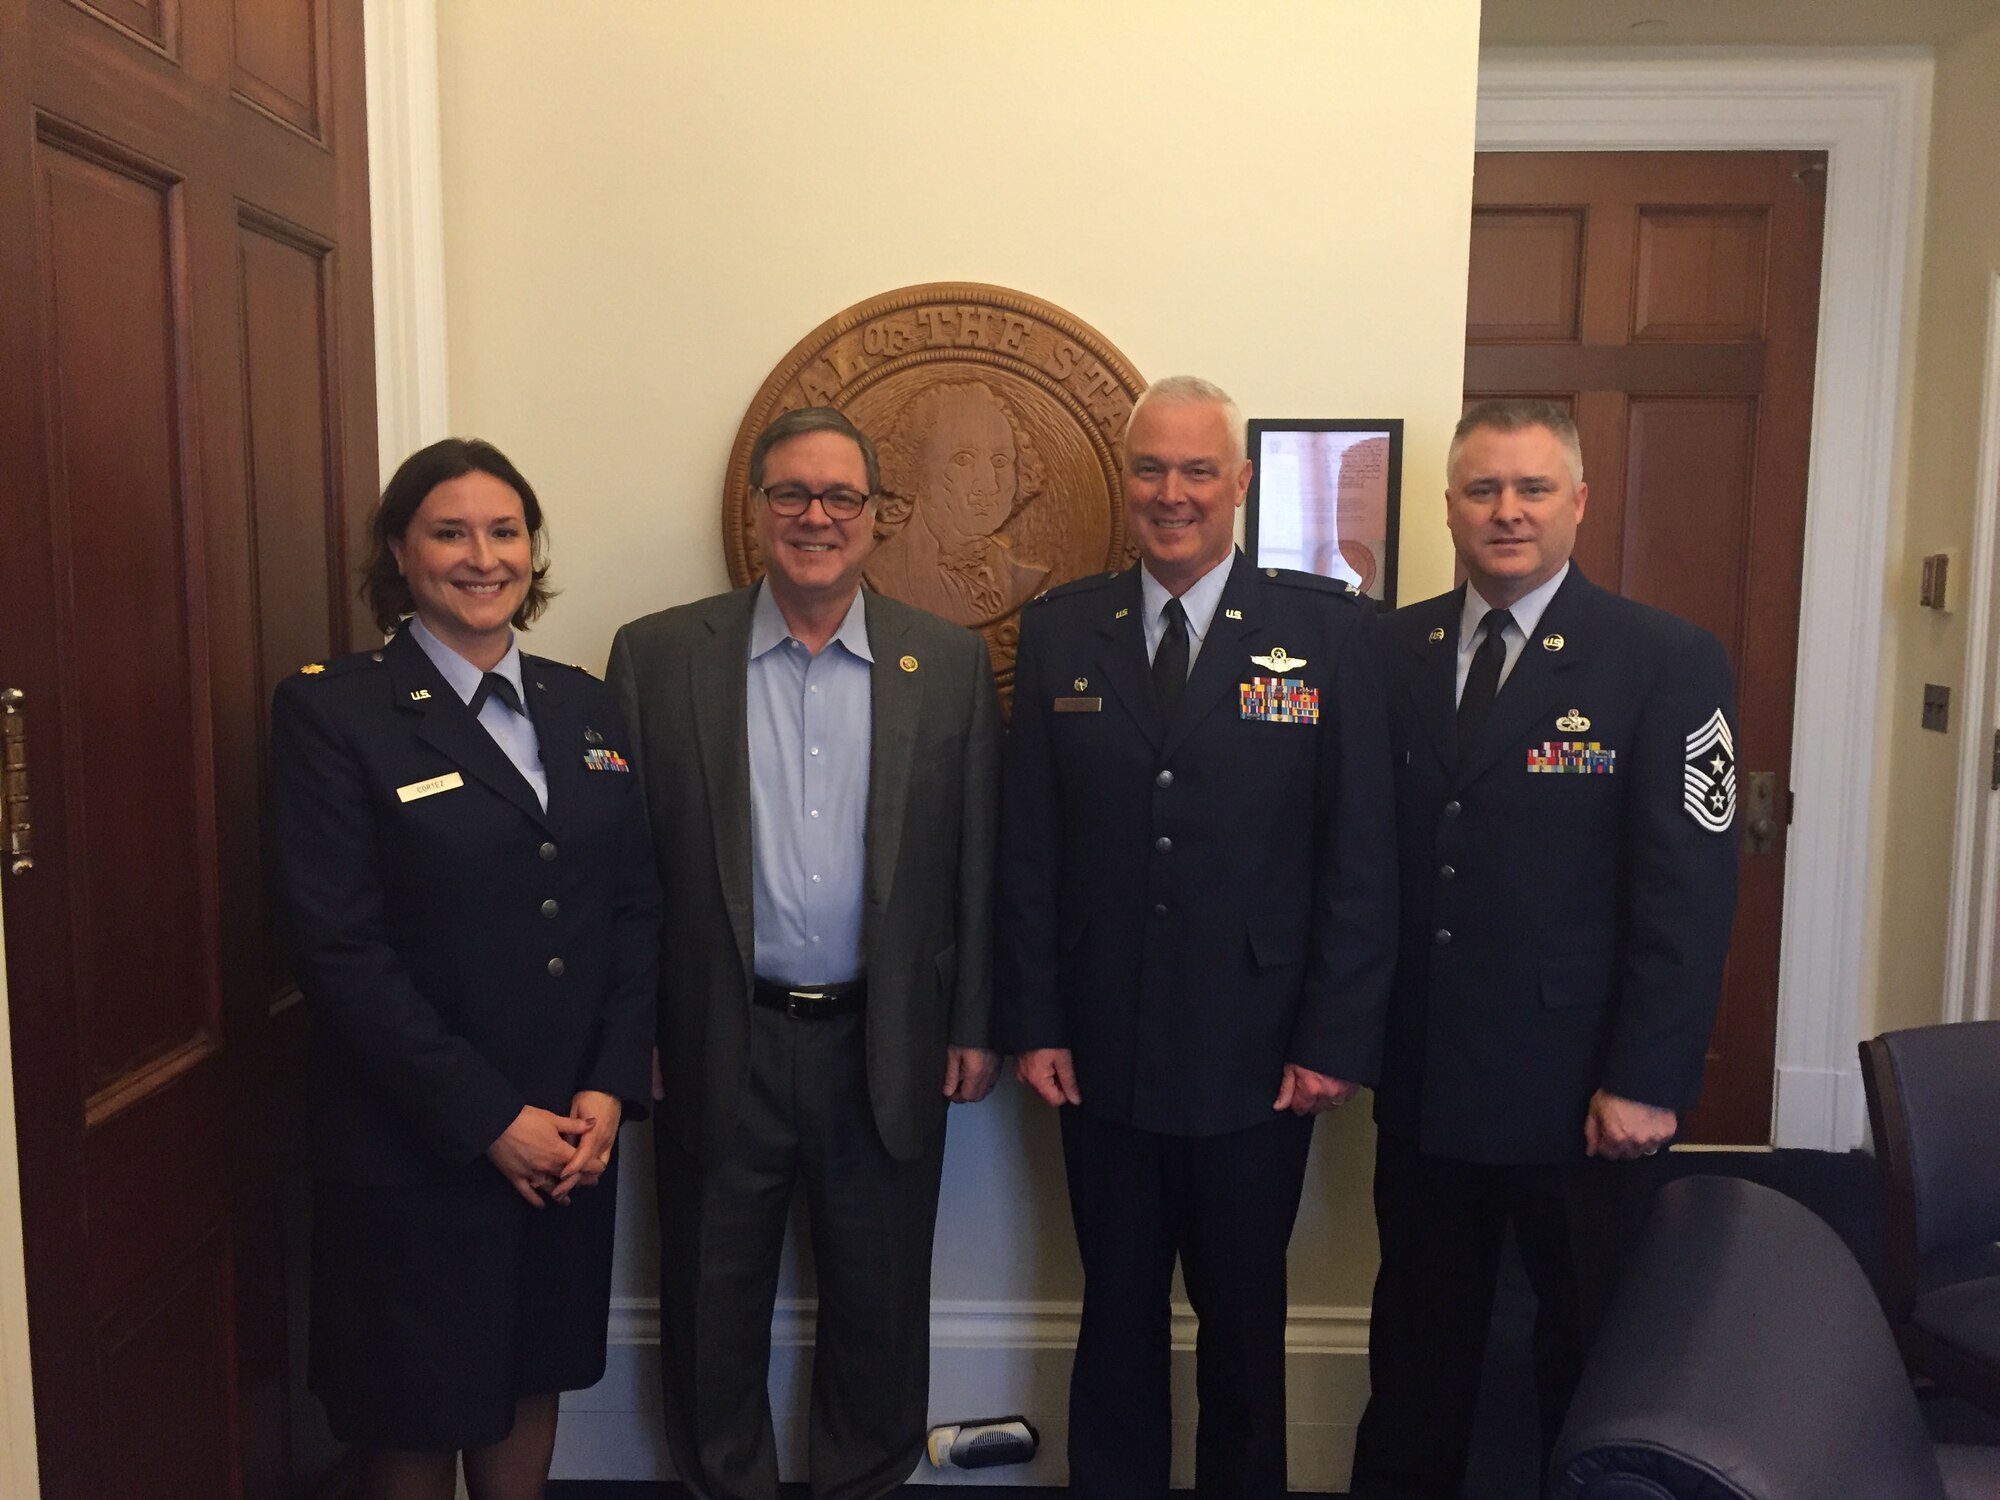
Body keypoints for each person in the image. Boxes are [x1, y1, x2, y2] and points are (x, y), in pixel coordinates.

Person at [996, 375, 1398, 1498]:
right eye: (1149, 469)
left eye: (1195, 471)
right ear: (1123, 482)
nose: (1170, 494)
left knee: (1242, 1318)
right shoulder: (1063, 627)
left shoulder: (1324, 632)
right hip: (1102, 1044)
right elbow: (1028, 847)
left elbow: (1358, 855)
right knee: (1113, 1310)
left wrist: (1332, 1035)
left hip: (1259, 1052)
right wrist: (1031, 1017)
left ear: (1239, 483)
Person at [1347, 399, 1740, 1500]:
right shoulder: (1392, 649)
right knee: (1417, 1348)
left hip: (1583, 1093)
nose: (1504, 512)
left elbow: (1688, 889)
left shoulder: (1662, 660)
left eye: (1528, 490)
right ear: (1447, 509)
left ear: (1576, 502)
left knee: (1582, 1347)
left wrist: (1648, 1079)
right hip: (1425, 1079)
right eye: (1481, 490)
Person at [608, 405, 1002, 1500]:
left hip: (883, 1042)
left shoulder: (950, 664)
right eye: (791, 494)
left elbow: (977, 861)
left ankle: (860, 1483)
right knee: (708, 1308)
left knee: (879, 1312)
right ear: (756, 511)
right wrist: (631, 1033)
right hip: (713, 1040)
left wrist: (972, 1022)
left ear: (876, 517)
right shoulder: (655, 657)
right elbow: (627, 875)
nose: (815, 517)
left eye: (840, 498)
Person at [270, 438, 660, 1500]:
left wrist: (605, 1090)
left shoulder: (585, 705)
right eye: (450, 532)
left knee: (532, 1377)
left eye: (505, 531)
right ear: (400, 552)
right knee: (411, 1408)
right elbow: (340, 952)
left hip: (569, 1135)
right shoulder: (333, 712)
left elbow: (631, 909)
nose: (482, 556)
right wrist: (491, 1118)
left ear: (532, 552)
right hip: (417, 1140)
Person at [864, 378, 1051, 626]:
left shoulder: (1028, 579)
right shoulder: (881, 572)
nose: (988, 485)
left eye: (1000, 461)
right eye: (963, 460)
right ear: (916, 471)